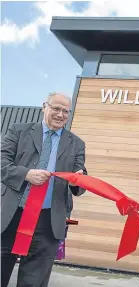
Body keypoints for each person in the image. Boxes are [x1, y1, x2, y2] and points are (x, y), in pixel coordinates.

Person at [1, 92, 87, 287]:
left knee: (34, 282)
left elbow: (80, 181)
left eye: (66, 111)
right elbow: (1, 163)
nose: (60, 114)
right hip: (9, 216)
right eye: (56, 108)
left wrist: (77, 182)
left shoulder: (77, 144)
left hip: (47, 223)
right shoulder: (18, 130)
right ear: (44, 106)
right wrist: (25, 174)